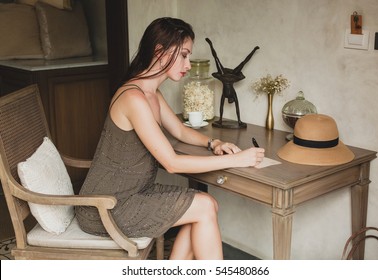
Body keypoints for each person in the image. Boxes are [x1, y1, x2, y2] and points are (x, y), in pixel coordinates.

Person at [75, 17, 265, 260]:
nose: (188, 63)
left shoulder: (151, 92)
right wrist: (238, 160)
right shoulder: (134, 98)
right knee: (205, 207)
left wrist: (213, 143)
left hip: (133, 193)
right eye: (184, 55)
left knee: (206, 205)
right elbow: (172, 163)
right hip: (107, 206)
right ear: (160, 51)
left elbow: (180, 131)